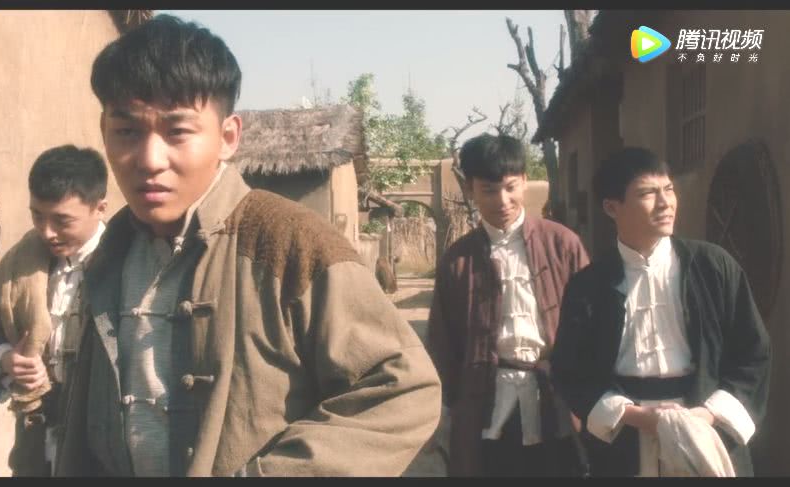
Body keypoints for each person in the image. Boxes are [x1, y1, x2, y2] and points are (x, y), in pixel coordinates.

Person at [54, 15, 441, 477]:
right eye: (127, 132)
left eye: (177, 132)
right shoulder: (109, 255)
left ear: (228, 137)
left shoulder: (290, 244)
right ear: (104, 131)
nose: (150, 160)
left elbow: (405, 389)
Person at [550, 147, 771, 476]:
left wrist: (706, 416)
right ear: (612, 207)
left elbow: (752, 355)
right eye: (647, 193)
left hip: (706, 428)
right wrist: (635, 416)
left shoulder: (713, 267)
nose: (665, 202)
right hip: (626, 436)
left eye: (668, 189)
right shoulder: (589, 285)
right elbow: (571, 371)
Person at [427, 133, 589, 476]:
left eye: (511, 187)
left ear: (525, 181)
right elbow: (443, 343)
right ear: (470, 189)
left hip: (555, 397)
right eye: (489, 190)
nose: (503, 200)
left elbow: (592, 325)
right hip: (485, 399)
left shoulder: (563, 244)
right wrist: (447, 407)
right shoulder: (457, 260)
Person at [0, 145, 108, 476]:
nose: (48, 232)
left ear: (99, 208)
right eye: (37, 216)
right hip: (36, 445)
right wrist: (8, 360)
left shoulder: (121, 266)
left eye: (62, 220)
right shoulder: (23, 264)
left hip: (98, 450)